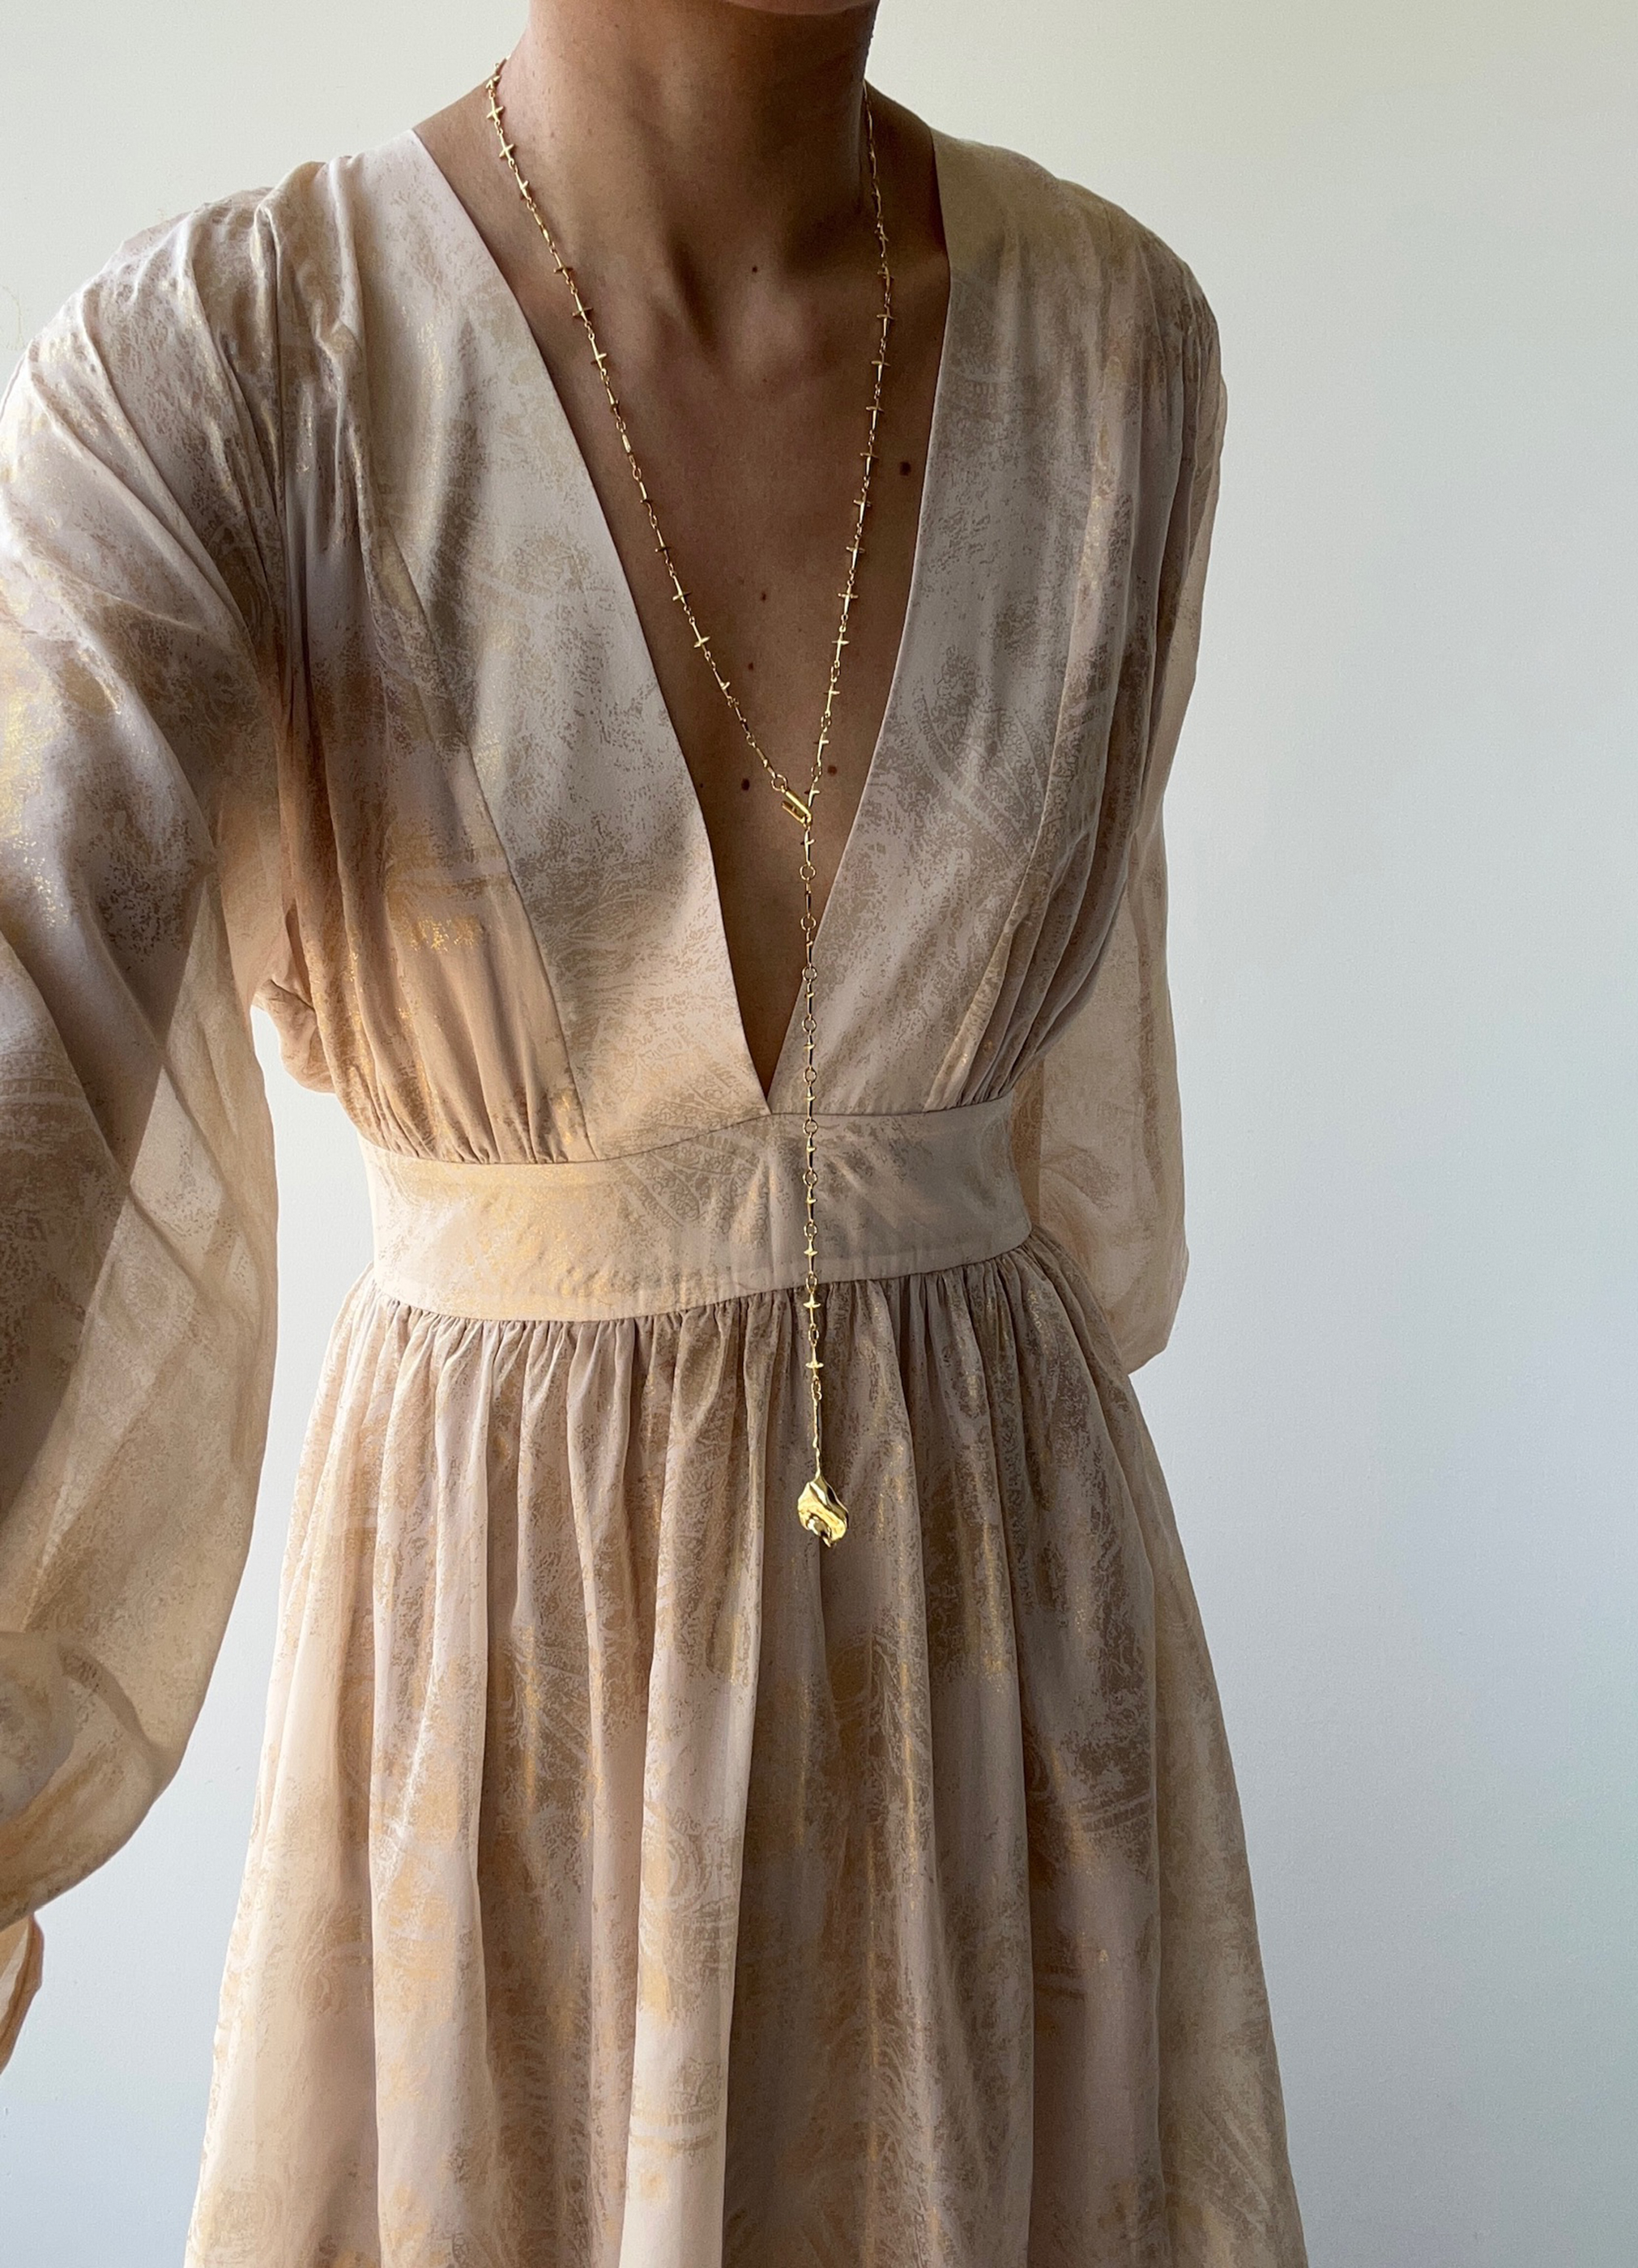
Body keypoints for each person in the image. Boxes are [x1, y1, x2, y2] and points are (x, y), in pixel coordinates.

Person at [0, 0, 1307, 2258]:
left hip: (995, 1636)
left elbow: (1081, 1155)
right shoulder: (232, 366)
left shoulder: (1122, 349)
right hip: (517, 1668)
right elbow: (36, 1078)